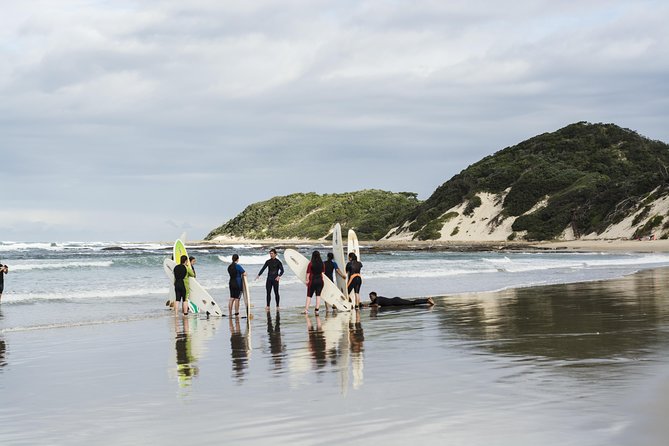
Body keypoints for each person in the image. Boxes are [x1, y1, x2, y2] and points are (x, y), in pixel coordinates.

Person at [366, 291, 435, 307]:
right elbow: (371, 304)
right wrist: (363, 305)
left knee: (412, 303)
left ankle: (427, 300)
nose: (370, 298)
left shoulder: (378, 299)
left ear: (375, 296)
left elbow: (375, 305)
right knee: (411, 303)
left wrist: (369, 306)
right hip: (396, 301)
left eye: (371, 297)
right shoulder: (375, 300)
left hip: (396, 301)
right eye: (370, 297)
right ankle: (427, 300)